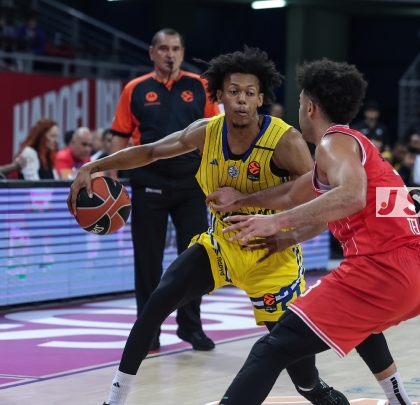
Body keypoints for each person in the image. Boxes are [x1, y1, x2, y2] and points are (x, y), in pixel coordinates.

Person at [69, 47, 365, 405]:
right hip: (222, 247)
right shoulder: (205, 132)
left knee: (304, 378)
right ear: (220, 96)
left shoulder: (284, 141)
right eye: (234, 91)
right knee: (157, 302)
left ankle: (318, 391)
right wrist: (94, 166)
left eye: (250, 93)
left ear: (260, 99)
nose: (242, 100)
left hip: (272, 259)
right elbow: (150, 151)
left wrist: (286, 238)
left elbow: (322, 207)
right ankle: (114, 400)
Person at [210, 59, 420, 405]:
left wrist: (275, 222)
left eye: (300, 101)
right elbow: (292, 192)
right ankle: (400, 401)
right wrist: (242, 202)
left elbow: (352, 195)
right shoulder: (353, 145)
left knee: (270, 349)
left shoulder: (333, 144)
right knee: (364, 323)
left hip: (384, 271)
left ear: (310, 107)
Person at [108, 28, 218, 352]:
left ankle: (191, 326)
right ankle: (149, 331)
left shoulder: (201, 86)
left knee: (196, 258)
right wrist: (112, 181)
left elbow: (214, 134)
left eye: (176, 49)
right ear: (152, 52)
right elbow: (120, 136)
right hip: (148, 181)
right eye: (164, 48)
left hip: (191, 183)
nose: (170, 54)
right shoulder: (135, 89)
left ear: (182, 53)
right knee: (148, 261)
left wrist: (215, 181)